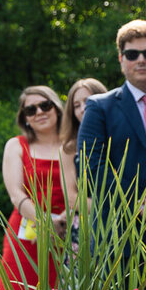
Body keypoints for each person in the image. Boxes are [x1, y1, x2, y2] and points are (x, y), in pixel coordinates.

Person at [76, 20, 146, 224]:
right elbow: (90, 167)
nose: (141, 60)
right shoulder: (99, 107)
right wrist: (141, 206)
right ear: (121, 59)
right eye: (132, 54)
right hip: (120, 232)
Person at [0, 87, 66, 290]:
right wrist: (46, 222)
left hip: (69, 232)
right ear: (25, 118)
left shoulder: (74, 144)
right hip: (27, 236)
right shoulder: (16, 145)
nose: (39, 112)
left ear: (57, 108)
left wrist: (63, 221)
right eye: (31, 110)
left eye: (45, 105)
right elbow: (15, 194)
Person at [59, 78, 108, 210]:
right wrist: (112, 210)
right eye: (76, 106)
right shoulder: (69, 148)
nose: (83, 109)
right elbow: (71, 197)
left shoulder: (121, 139)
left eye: (88, 101)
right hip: (89, 222)